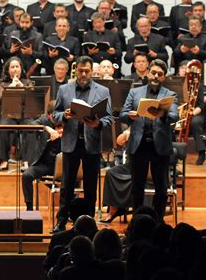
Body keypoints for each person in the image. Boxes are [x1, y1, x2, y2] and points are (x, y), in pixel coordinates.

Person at [52, 55, 112, 232]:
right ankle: (61, 220)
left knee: (91, 185)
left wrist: (98, 123)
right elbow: (55, 115)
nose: (84, 74)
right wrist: (64, 115)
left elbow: (109, 118)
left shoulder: (103, 91)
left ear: (92, 71)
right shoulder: (64, 89)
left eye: (87, 71)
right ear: (75, 70)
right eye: (80, 71)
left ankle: (89, 221)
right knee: (67, 186)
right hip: (71, 142)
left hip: (91, 143)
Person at [120, 59, 178, 222]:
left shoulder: (170, 94)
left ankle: (158, 222)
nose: (156, 76)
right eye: (153, 72)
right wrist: (130, 115)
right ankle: (137, 222)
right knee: (137, 187)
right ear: (147, 73)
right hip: (139, 145)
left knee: (161, 188)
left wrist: (163, 114)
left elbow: (175, 116)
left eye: (160, 74)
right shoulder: (135, 92)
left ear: (164, 77)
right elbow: (122, 114)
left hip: (159, 146)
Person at [0, 57, 34, 171]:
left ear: (21, 69)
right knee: (2, 128)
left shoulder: (27, 82)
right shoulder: (3, 84)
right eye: (12, 67)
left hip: (24, 115)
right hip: (9, 115)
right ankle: (3, 160)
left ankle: (27, 161)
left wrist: (22, 87)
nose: (15, 69)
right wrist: (10, 87)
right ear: (8, 70)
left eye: (17, 66)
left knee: (31, 127)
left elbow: (33, 100)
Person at [22, 102, 61, 211]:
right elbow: (28, 128)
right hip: (45, 164)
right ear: (49, 115)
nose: (59, 119)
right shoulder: (44, 120)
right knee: (27, 175)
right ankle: (29, 208)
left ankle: (70, 209)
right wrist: (46, 128)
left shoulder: (68, 121)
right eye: (55, 116)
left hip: (63, 165)